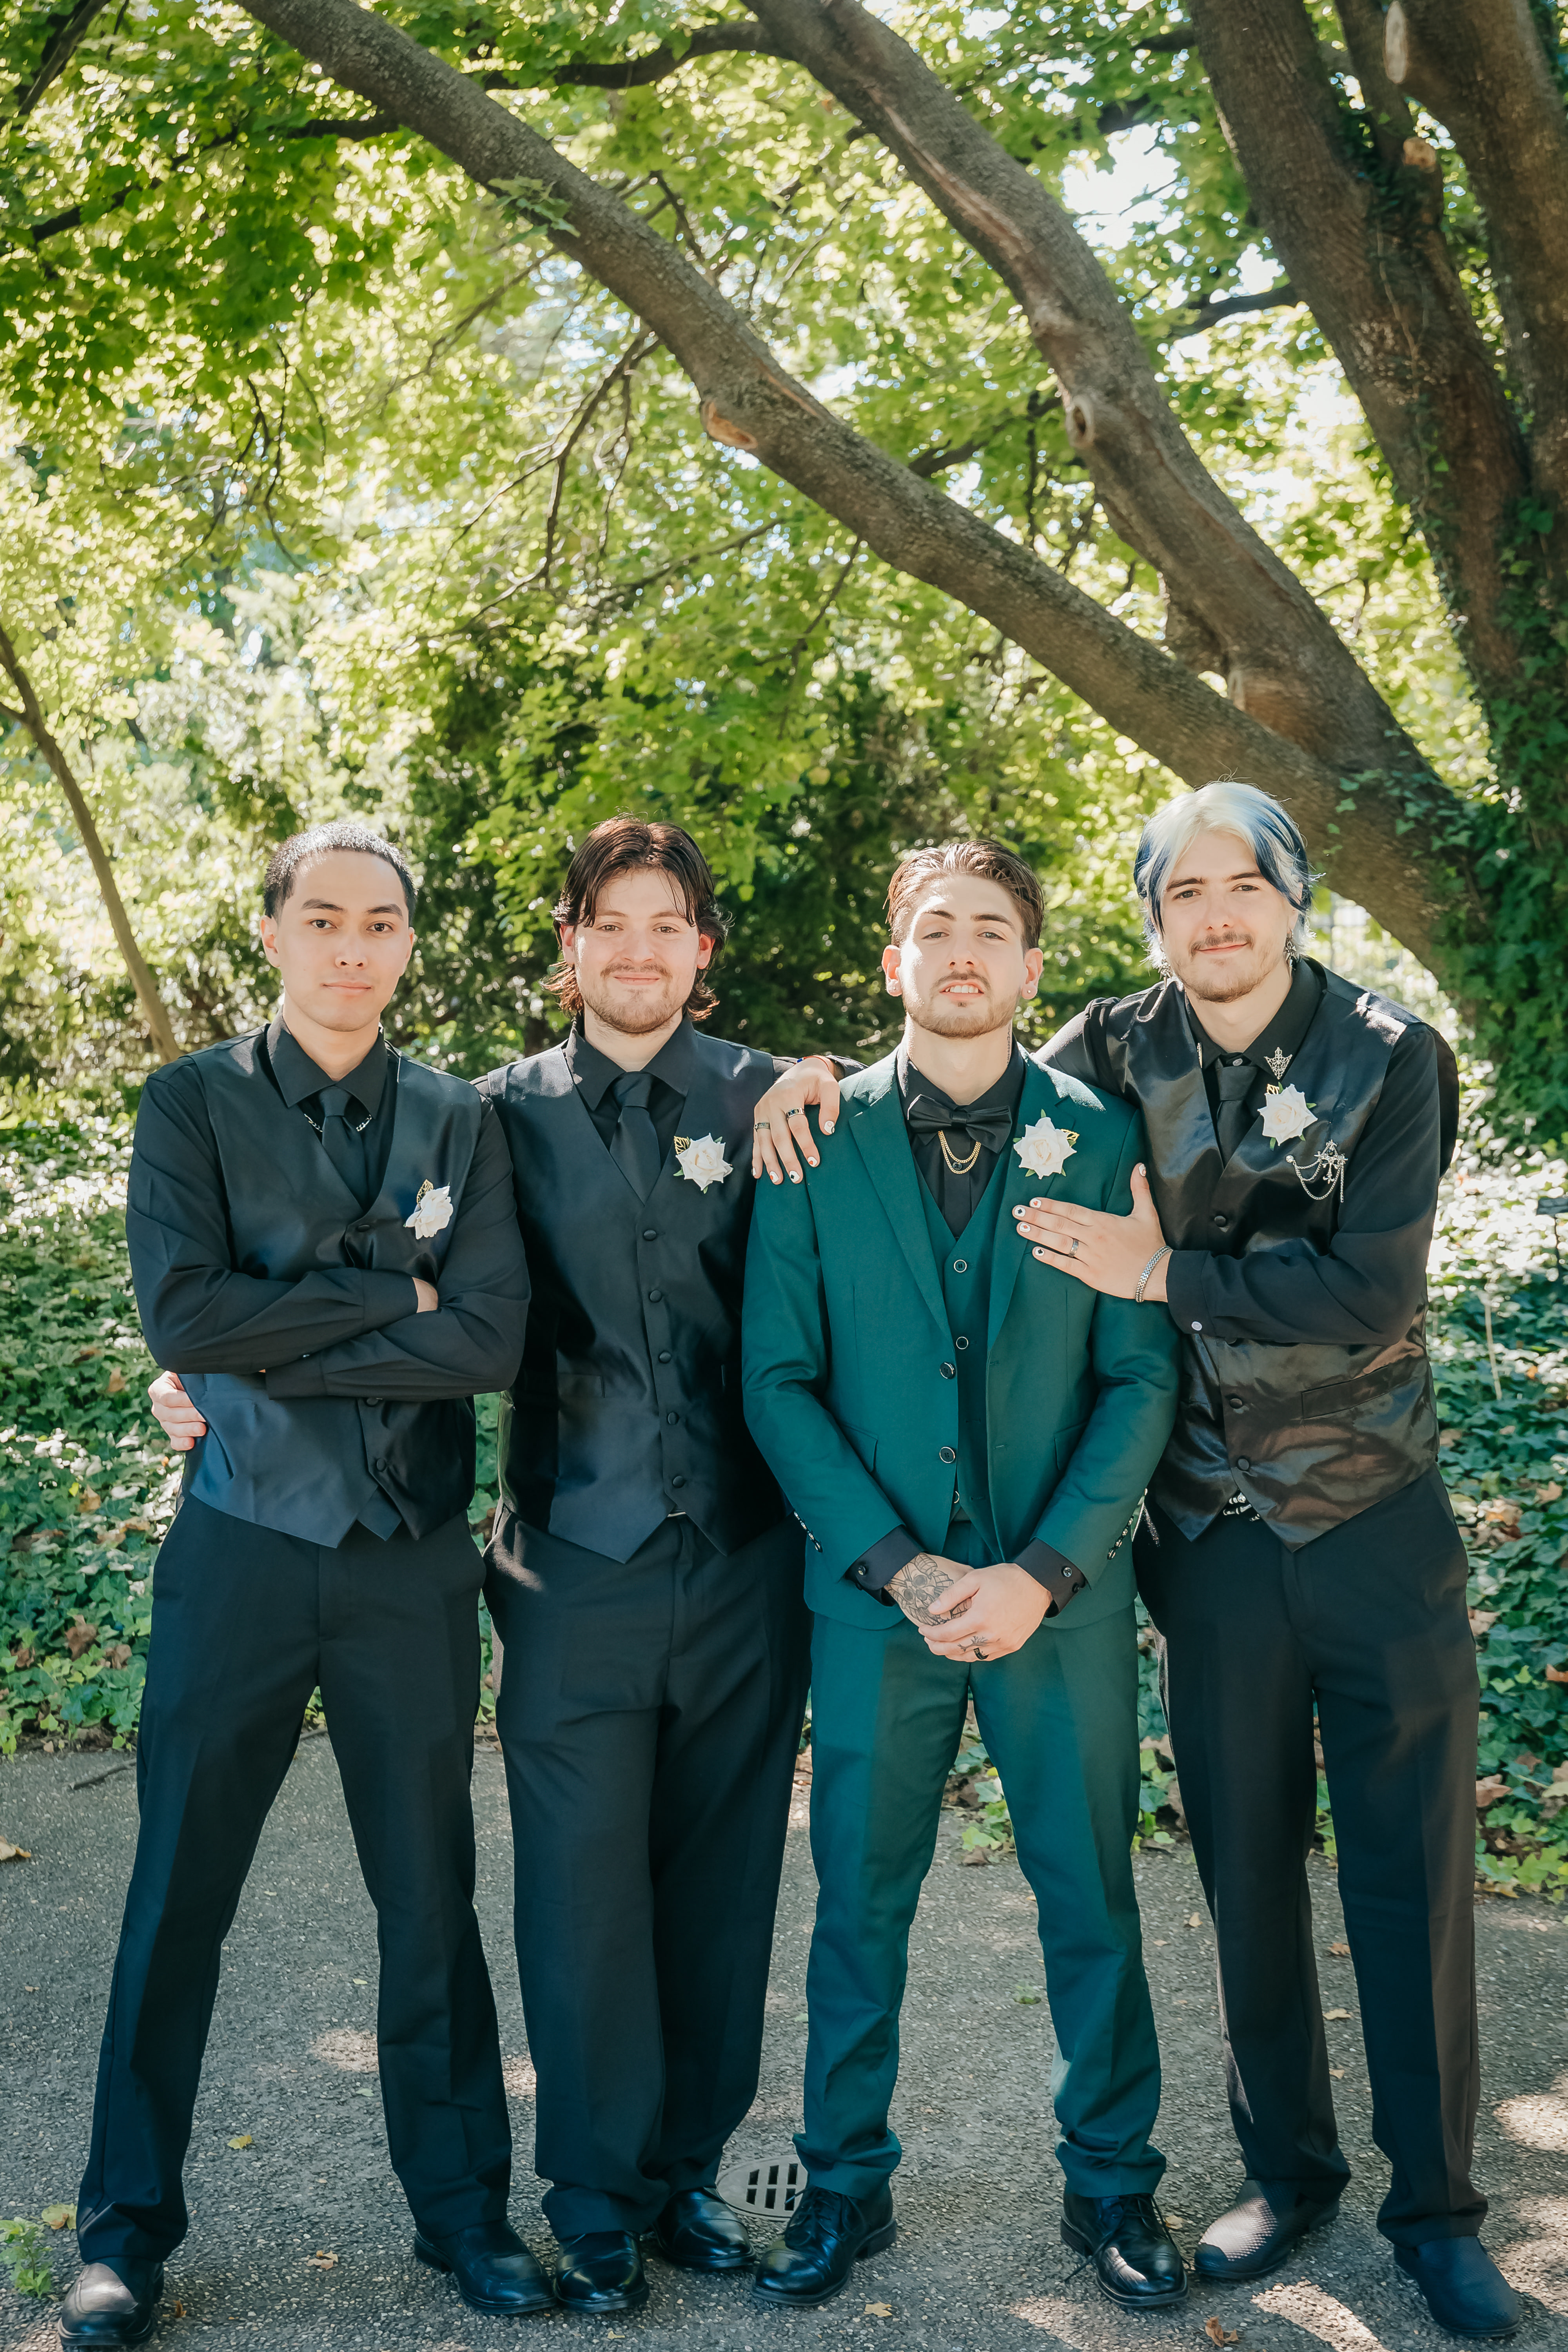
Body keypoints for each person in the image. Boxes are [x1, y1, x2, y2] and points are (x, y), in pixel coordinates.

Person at [753, 786, 1519, 2344]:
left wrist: (1156, 1286)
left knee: (1358, 1883)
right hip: (1171, 1551)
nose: (1214, 917)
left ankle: (1396, 2209)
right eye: (1184, 895)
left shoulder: (1381, 1056)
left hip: (1344, 1522)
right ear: (1155, 918)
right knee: (1221, 1878)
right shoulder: (1095, 1057)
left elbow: (1320, 1311)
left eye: (1243, 887)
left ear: (1292, 898)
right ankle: (1261, 2176)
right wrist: (798, 1074)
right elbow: (796, 1347)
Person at [91, 822, 543, 2350]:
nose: (354, 946)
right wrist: (382, 1296)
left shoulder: (461, 1118)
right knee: (177, 1893)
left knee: (430, 1896)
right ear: (275, 933)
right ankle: (123, 2233)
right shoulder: (193, 1103)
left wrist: (278, 1334)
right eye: (326, 919)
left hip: (410, 1566)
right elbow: (184, 1315)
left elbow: (488, 1339)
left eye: (382, 923)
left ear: (408, 942)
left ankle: (464, 2213)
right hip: (240, 1547)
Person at [741, 839, 1185, 2315]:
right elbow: (779, 1381)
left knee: (1091, 1895)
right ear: (896, 961)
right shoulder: (814, 1139)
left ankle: (1112, 2182)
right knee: (858, 1902)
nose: (964, 953)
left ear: (1033, 965)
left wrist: (1043, 1572)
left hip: (1060, 1603)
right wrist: (900, 1567)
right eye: (936, 929)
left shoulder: (1100, 1135)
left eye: (993, 930)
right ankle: (840, 2183)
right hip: (878, 1604)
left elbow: (1140, 1378)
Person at [472, 820, 853, 2313]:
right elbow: (390, 1278)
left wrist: (827, 1072)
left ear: (702, 950)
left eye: (666, 925)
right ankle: (592, 2197)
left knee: (722, 1884)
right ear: (571, 946)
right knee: (579, 1895)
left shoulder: (775, 1099)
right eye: (609, 924)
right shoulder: (491, 1116)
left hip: (746, 1561)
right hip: (572, 1562)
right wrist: (206, 1377)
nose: (638, 950)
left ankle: (688, 2170)